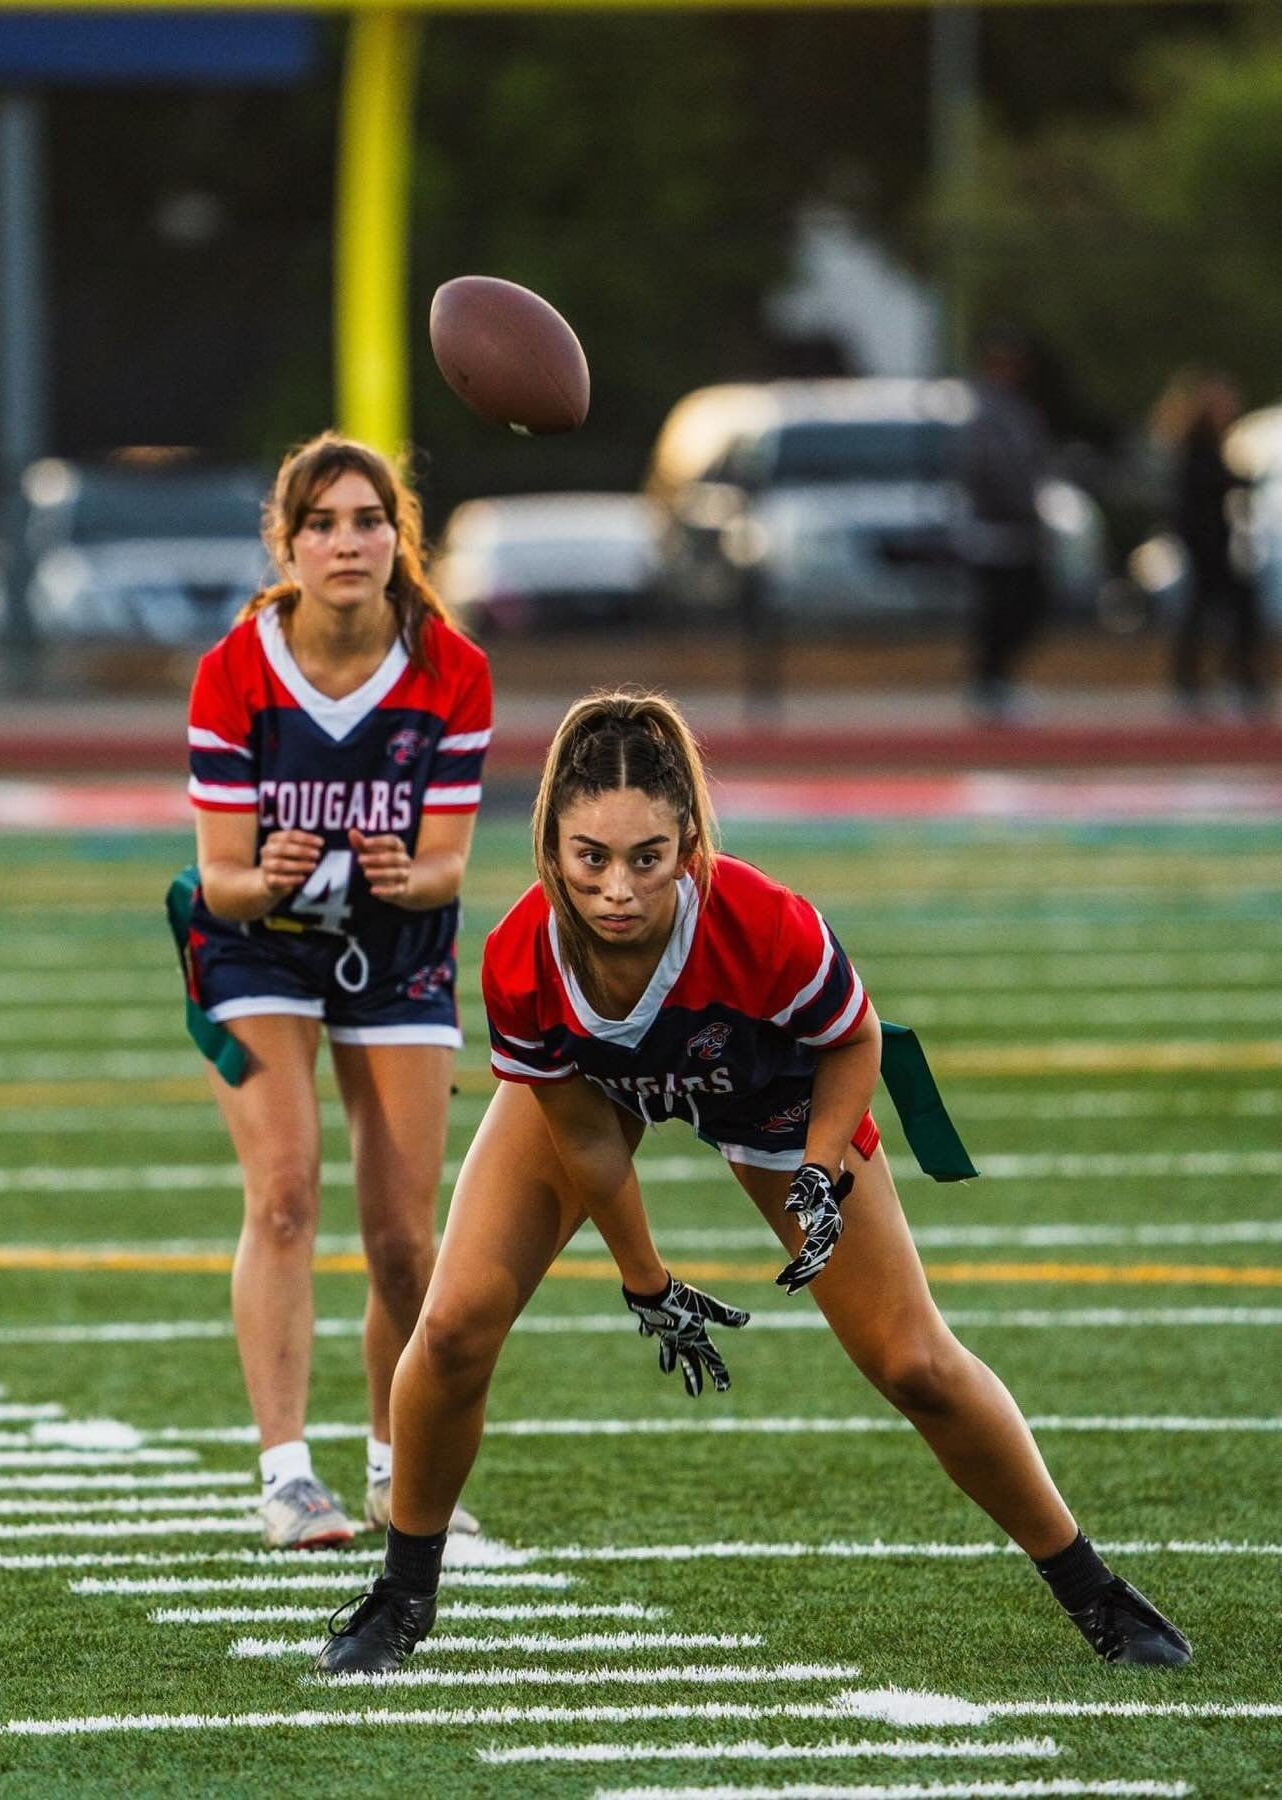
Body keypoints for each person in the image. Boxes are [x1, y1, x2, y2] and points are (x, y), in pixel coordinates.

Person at [315, 688, 1192, 1673]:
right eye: (589, 858)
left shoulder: (761, 923)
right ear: (550, 850)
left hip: (769, 1092)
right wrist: (644, 1276)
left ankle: (1095, 1595)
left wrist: (819, 1172)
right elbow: (583, 1137)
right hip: (607, 1089)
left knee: (913, 1363)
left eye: (646, 858)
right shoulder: (522, 956)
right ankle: (399, 1598)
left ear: (689, 845)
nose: (616, 889)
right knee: (452, 1323)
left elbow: (855, 1040)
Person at [179, 431, 492, 1550]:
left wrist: (416, 872)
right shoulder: (236, 669)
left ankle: (393, 1459)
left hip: (400, 945)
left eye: (368, 520)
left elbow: (453, 860)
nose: (346, 542)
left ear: (397, 537)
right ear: (288, 542)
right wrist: (260, 878)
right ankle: (284, 1474)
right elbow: (217, 883)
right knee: (283, 1193)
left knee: (405, 1239)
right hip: (259, 948)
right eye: (322, 523)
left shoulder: (449, 666)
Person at [1150, 369, 1271, 717]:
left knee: (1222, 611)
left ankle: (1227, 679)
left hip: (1216, 542)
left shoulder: (1211, 445)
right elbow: (1203, 489)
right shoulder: (1196, 446)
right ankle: (1212, 681)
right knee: (1213, 611)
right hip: (1205, 544)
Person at [960, 329, 1055, 722]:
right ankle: (989, 684)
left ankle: (999, 680)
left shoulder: (1019, 409)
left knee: (1027, 603)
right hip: (995, 525)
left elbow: (1032, 461)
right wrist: (1007, 500)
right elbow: (984, 466)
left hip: (1021, 525)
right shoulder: (983, 411)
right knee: (999, 607)